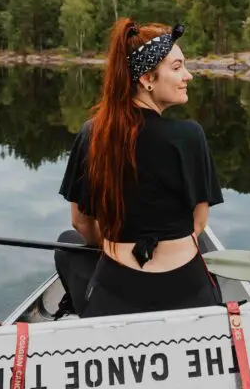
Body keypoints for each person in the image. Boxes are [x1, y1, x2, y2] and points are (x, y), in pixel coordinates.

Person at [54, 18, 224, 318]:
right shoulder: (191, 136)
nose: (188, 76)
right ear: (147, 79)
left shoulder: (93, 134)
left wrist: (107, 244)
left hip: (116, 297)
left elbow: (81, 224)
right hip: (190, 293)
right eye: (177, 67)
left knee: (67, 245)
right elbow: (199, 224)